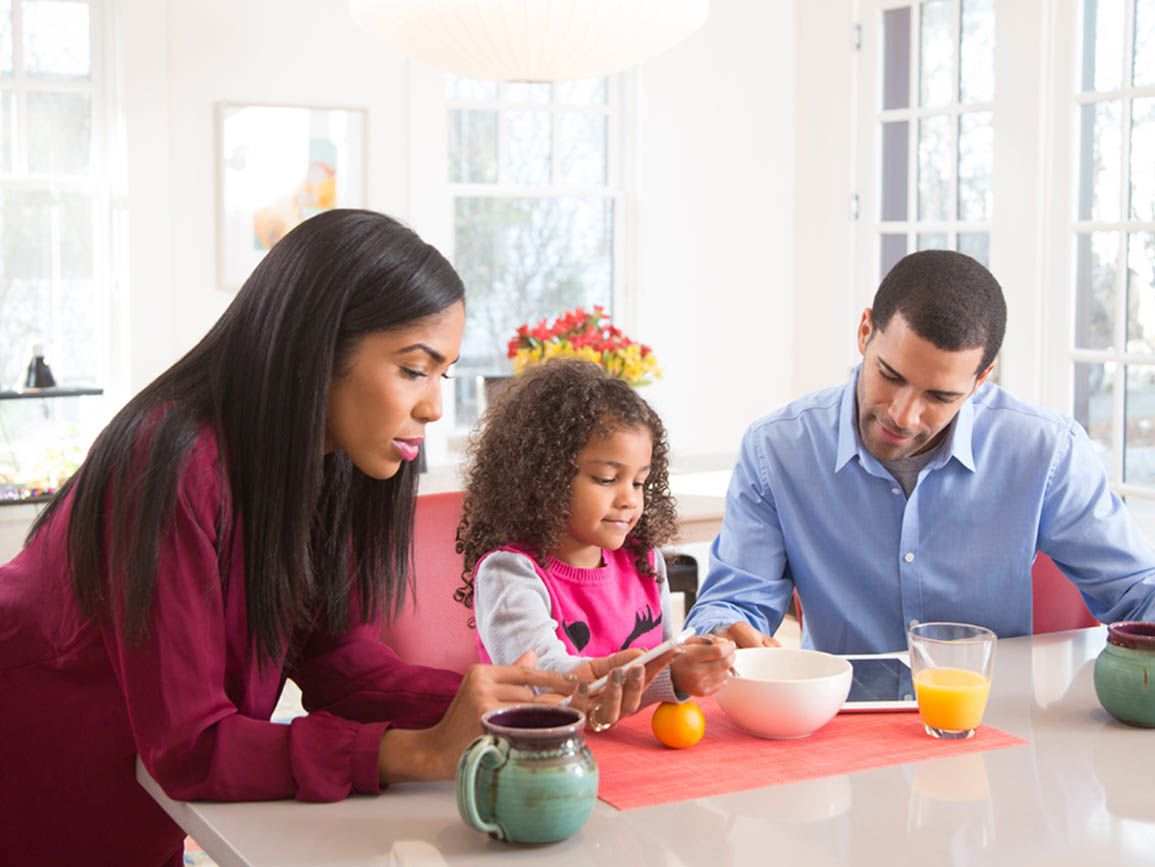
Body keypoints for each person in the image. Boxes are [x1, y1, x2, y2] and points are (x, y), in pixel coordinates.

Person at [0, 211, 642, 867]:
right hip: (36, 793)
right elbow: (189, 747)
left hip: (138, 815)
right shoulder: (173, 459)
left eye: (441, 375)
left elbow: (343, 667)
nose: (432, 407)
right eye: (412, 369)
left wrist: (533, 696)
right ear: (318, 349)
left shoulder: (328, 465)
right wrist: (415, 751)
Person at [685, 250, 1155, 654]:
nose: (904, 416)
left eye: (940, 396)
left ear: (982, 377)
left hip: (997, 730)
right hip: (842, 729)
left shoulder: (1045, 452)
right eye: (889, 375)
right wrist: (719, 637)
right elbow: (732, 604)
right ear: (865, 331)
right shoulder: (777, 451)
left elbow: (1137, 592)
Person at [455, 359, 735, 724]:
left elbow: (661, 658)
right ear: (546, 477)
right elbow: (545, 677)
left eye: (638, 482)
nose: (629, 499)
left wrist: (691, 659)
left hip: (634, 752)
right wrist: (672, 674)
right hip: (547, 756)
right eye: (606, 479)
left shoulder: (645, 561)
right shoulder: (509, 572)